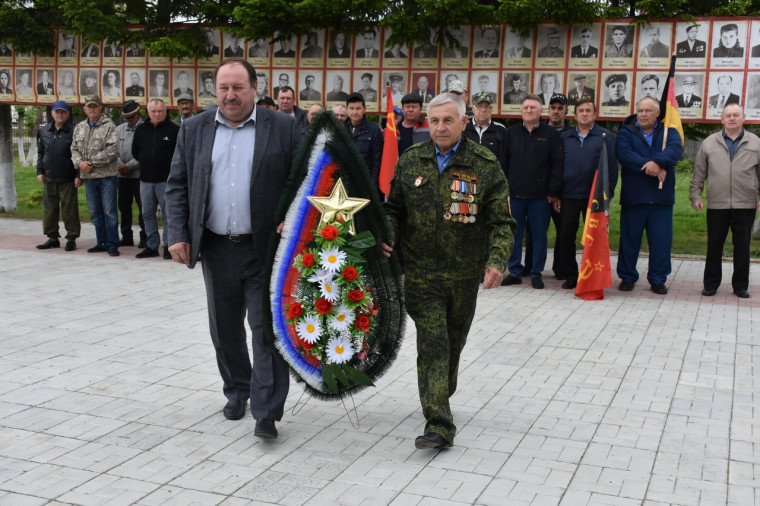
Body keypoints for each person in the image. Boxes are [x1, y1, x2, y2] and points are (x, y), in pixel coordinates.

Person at [165, 58, 300, 438]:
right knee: (224, 330)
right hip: (216, 247)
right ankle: (238, 389)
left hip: (266, 250)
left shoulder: (285, 128)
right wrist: (177, 232)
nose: (230, 95)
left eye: (238, 87)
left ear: (255, 88)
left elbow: (304, 179)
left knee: (265, 331)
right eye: (223, 87)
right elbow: (177, 184)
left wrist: (295, 218)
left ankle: (267, 411)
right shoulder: (194, 128)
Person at [383, 92, 515, 449]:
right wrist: (387, 238)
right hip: (420, 273)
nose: (440, 127)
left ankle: (438, 391)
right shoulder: (412, 161)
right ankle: (439, 423)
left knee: (453, 344)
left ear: (463, 122)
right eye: (434, 120)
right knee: (434, 343)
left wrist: (496, 261)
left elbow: (501, 221)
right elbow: (393, 209)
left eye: (448, 120)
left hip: (463, 275)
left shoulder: (484, 164)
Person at [690, 104, 760, 298]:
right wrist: (696, 196)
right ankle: (711, 285)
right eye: (728, 115)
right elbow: (698, 174)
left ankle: (740, 286)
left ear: (743, 118)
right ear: (722, 119)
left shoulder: (755, 143)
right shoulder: (709, 143)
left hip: (745, 203)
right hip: (717, 204)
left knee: (743, 246)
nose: (732, 118)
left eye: (736, 115)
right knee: (714, 245)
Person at [616, 96, 683, 294]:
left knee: (661, 241)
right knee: (629, 241)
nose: (643, 114)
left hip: (661, 199)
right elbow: (624, 154)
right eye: (640, 110)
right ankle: (627, 277)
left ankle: (658, 279)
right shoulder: (626, 131)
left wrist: (659, 162)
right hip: (634, 197)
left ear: (658, 113)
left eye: (648, 111)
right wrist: (650, 167)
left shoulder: (669, 131)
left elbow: (674, 150)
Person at [501, 94, 563, 289]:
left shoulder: (550, 134)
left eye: (533, 108)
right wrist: (504, 191)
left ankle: (536, 273)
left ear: (540, 111)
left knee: (539, 237)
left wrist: (553, 192)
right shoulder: (511, 133)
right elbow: (503, 163)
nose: (529, 110)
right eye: (526, 107)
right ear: (521, 111)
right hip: (515, 195)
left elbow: (557, 165)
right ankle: (515, 272)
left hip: (540, 197)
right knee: (515, 236)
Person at [556, 98, 617, 289]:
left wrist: (609, 195)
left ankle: (594, 275)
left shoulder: (605, 136)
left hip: (596, 198)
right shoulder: (565, 137)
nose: (584, 113)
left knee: (595, 237)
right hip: (569, 195)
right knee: (566, 236)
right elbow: (557, 166)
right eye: (580, 110)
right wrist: (556, 193)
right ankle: (571, 275)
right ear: (575, 115)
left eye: (588, 110)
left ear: (595, 114)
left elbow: (612, 169)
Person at [71, 95, 120, 256]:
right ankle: (101, 242)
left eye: (95, 106)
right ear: (84, 109)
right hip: (89, 177)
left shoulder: (109, 126)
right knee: (95, 212)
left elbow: (113, 150)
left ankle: (112, 243)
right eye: (89, 106)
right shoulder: (79, 127)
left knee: (109, 211)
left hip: (106, 176)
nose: (92, 109)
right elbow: (73, 149)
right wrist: (80, 163)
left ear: (100, 108)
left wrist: (91, 163)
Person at [131, 99, 179, 259]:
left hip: (166, 181)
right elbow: (135, 152)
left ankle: (167, 245)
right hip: (145, 180)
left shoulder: (174, 130)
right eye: (153, 111)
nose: (157, 114)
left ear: (166, 112)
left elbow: (179, 155)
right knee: (147, 213)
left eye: (160, 111)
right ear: (148, 112)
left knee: (168, 214)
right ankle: (151, 245)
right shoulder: (141, 130)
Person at [36, 100, 81, 251]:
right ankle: (52, 237)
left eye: (63, 112)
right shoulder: (45, 130)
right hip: (49, 178)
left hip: (68, 178)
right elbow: (41, 152)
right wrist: (40, 171)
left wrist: (78, 175)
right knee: (49, 210)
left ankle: (71, 238)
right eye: (57, 112)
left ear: (67, 114)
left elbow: (79, 154)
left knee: (69, 211)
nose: (60, 114)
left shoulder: (74, 131)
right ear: (52, 113)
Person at [116, 100, 147, 248]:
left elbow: (145, 153)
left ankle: (145, 237)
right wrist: (120, 166)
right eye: (126, 117)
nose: (129, 120)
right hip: (122, 176)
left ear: (138, 113)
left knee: (143, 208)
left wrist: (129, 166)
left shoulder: (145, 128)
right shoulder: (119, 129)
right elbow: (113, 150)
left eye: (131, 117)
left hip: (139, 176)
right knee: (124, 207)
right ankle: (126, 236)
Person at [344, 92, 383, 193]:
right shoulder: (340, 129)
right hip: (344, 184)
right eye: (351, 108)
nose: (355, 112)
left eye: (358, 108)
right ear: (347, 109)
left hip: (365, 184)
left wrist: (373, 186)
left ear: (364, 109)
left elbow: (377, 161)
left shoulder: (373, 130)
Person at [463, 91, 507, 170]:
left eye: (487, 106)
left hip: (492, 179)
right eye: (479, 106)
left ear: (491, 109)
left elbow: (504, 160)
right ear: (473, 108)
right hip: (467, 178)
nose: (483, 110)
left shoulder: (501, 130)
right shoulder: (463, 127)